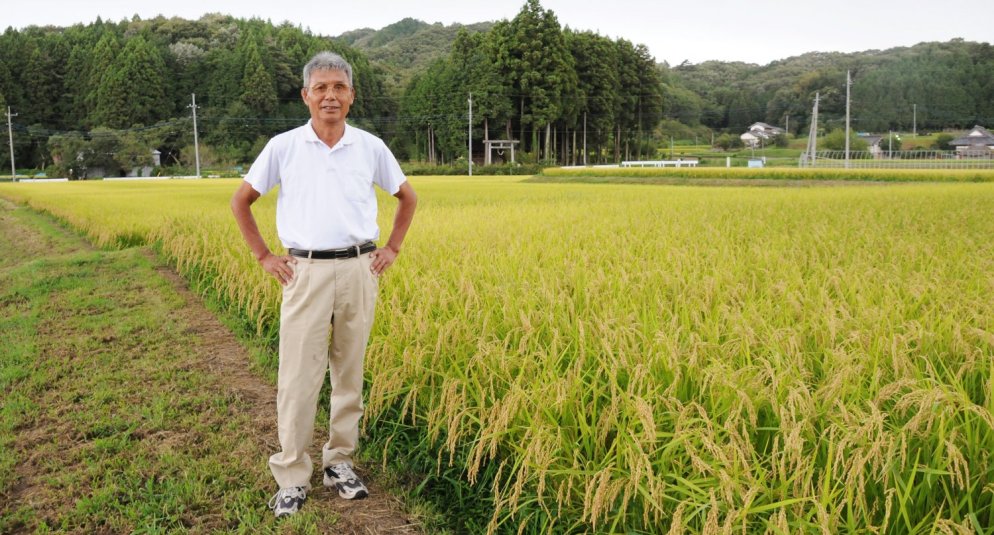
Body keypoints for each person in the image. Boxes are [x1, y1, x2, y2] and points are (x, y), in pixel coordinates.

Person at [230, 51, 417, 518]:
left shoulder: (371, 147)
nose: (330, 96)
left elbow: (407, 197)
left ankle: (340, 462)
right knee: (298, 378)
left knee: (348, 373)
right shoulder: (284, 146)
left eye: (339, 88)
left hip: (359, 270)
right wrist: (263, 256)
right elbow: (241, 201)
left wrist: (391, 248)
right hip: (304, 271)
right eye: (321, 88)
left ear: (352, 96)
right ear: (306, 96)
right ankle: (292, 475)